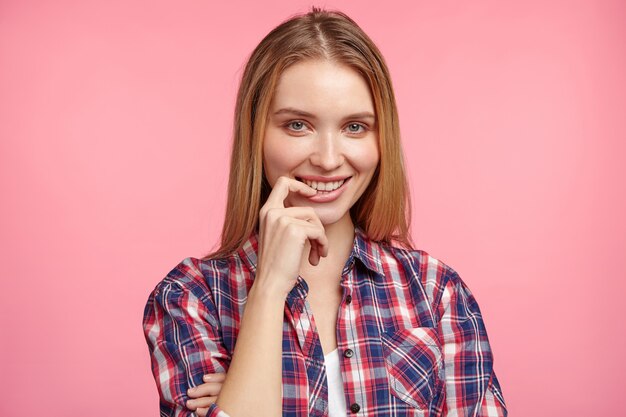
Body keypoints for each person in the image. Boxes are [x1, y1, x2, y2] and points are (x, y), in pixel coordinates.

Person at [142, 8, 507, 417]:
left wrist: (245, 394)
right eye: (298, 125)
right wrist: (269, 288)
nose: (329, 160)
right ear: (256, 133)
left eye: (355, 127)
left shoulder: (436, 292)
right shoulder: (190, 298)